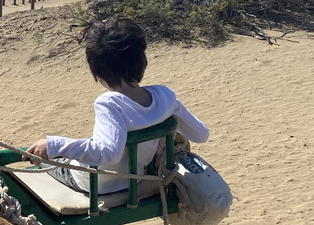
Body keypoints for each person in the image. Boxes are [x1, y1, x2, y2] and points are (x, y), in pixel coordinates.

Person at [27, 16, 209, 195]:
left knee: (44, 161)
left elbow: (107, 153)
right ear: (142, 63)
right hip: (135, 177)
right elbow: (200, 134)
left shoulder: (109, 103)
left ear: (98, 74)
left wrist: (53, 145)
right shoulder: (165, 96)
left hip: (95, 183)